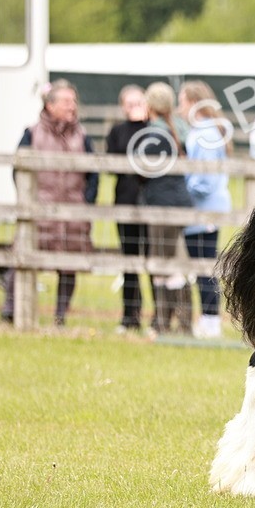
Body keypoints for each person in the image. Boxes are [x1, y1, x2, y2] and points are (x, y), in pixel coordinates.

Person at [0, 79, 98, 327]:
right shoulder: (32, 133)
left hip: (72, 213)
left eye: (73, 101)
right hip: (40, 212)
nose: (71, 106)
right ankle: (13, 310)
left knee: (68, 267)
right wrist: (29, 201)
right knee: (21, 259)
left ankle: (60, 316)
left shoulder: (82, 136)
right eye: (66, 101)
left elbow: (94, 173)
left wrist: (86, 202)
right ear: (50, 104)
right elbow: (18, 169)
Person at [179, 80, 232, 339]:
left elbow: (206, 177)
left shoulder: (206, 133)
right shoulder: (204, 131)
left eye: (182, 102)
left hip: (205, 207)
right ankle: (208, 318)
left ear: (192, 103)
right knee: (202, 262)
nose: (180, 108)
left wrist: (183, 186)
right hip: (202, 207)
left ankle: (211, 320)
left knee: (204, 264)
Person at [141, 82, 194, 336]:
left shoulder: (152, 134)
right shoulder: (180, 127)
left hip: (162, 204)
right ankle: (176, 322)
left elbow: (144, 169)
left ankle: (167, 323)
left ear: (150, 105)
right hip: (179, 201)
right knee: (174, 262)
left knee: (164, 266)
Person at [105, 84, 151, 332]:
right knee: (129, 260)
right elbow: (112, 164)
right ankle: (130, 315)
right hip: (125, 201)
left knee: (154, 260)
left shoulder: (154, 130)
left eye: (139, 102)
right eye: (130, 103)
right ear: (123, 107)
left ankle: (159, 316)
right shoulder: (117, 131)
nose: (134, 108)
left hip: (151, 203)